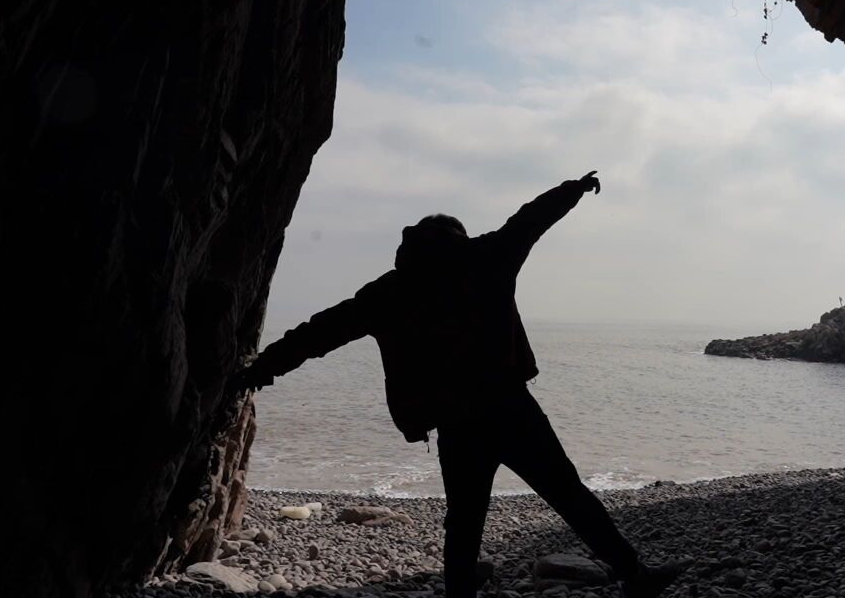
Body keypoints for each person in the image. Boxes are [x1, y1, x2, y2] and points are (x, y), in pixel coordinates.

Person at [234, 171, 686, 598]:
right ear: (458, 236)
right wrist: (573, 189)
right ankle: (634, 576)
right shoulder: (486, 258)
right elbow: (530, 220)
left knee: (465, 521)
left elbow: (319, 332)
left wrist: (261, 370)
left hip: (456, 422)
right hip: (511, 409)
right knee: (570, 497)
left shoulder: (390, 292)